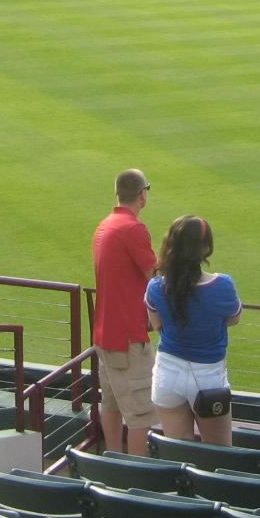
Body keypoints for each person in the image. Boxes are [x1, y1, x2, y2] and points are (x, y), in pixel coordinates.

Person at [145, 216, 240, 446]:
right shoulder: (223, 285)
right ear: (206, 248)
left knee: (181, 455)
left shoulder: (156, 286)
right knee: (219, 457)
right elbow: (233, 319)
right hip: (208, 377)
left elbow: (157, 325)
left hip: (168, 374)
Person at [93, 169, 157, 456]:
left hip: (106, 334)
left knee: (112, 404)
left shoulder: (105, 225)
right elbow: (155, 277)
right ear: (142, 194)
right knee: (140, 416)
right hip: (129, 337)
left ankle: (113, 465)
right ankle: (136, 479)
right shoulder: (132, 229)